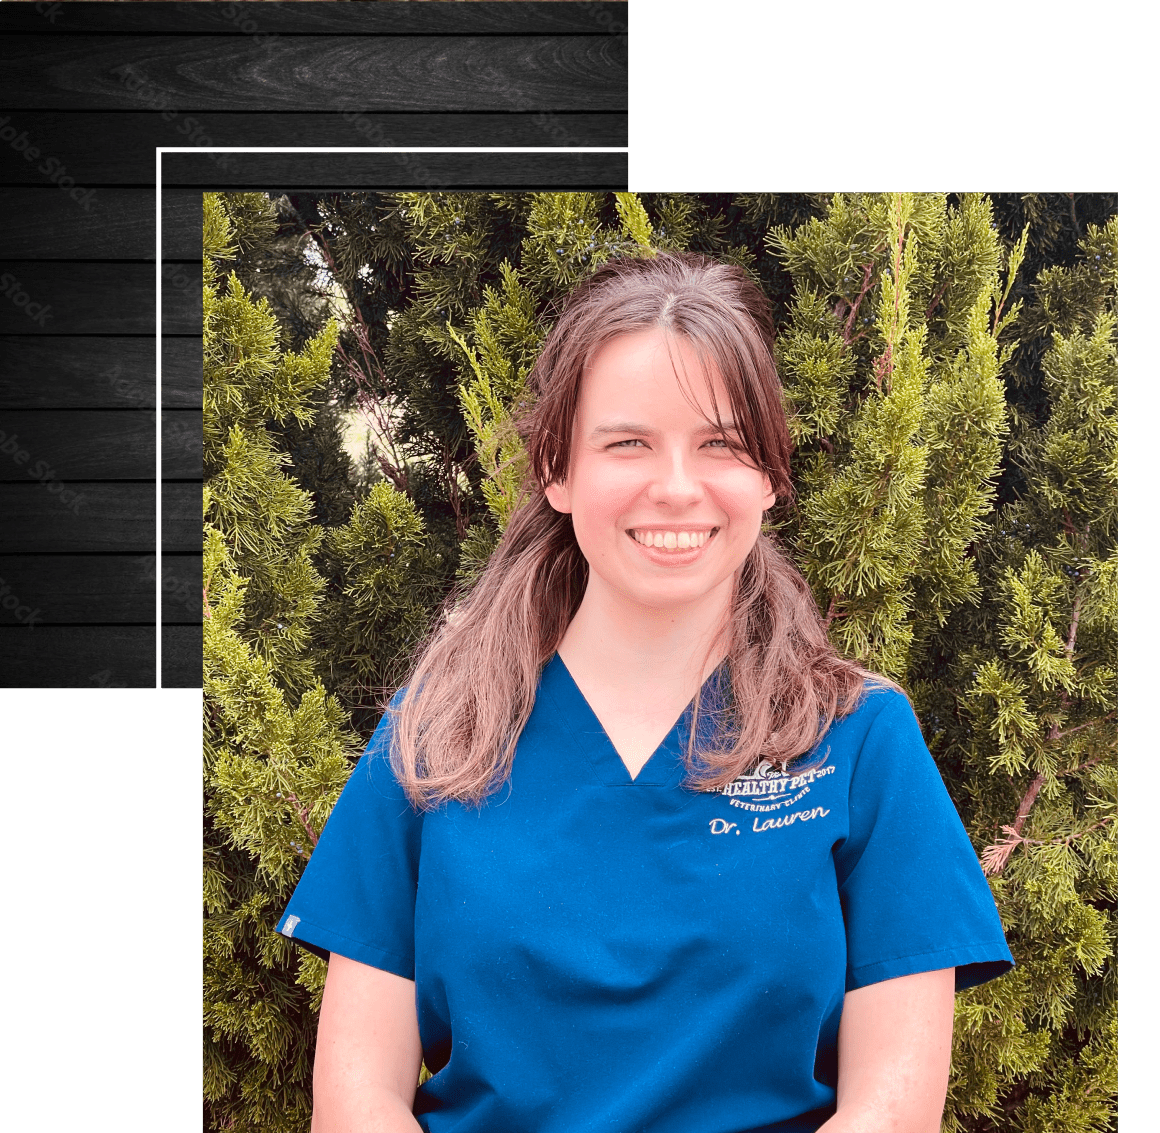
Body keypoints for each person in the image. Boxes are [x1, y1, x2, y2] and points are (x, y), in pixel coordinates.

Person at [277, 251, 1013, 1133]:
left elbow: (892, 1112)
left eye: (722, 444)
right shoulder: (439, 736)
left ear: (770, 478)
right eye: (628, 441)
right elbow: (355, 1100)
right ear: (558, 471)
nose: (675, 485)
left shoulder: (859, 743)